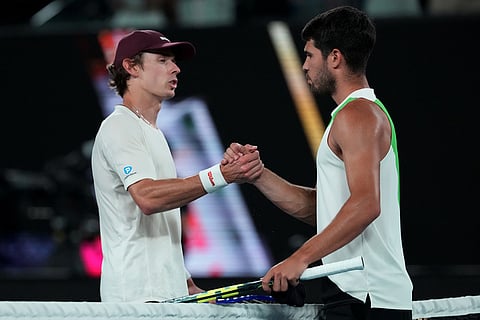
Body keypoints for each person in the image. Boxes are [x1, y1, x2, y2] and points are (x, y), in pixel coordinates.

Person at [224, 6, 413, 319]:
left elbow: (366, 205)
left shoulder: (357, 115)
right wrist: (257, 174)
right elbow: (328, 213)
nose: (304, 66)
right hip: (355, 296)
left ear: (335, 58)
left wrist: (300, 259)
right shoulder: (355, 115)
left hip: (366, 297)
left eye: (310, 55)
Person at [90, 29, 262, 303]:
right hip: (136, 299)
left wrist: (182, 279)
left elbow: (154, 220)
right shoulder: (119, 126)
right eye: (162, 60)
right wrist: (221, 174)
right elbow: (147, 197)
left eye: (174, 61)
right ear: (131, 67)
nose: (176, 68)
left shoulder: (154, 133)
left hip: (165, 294)